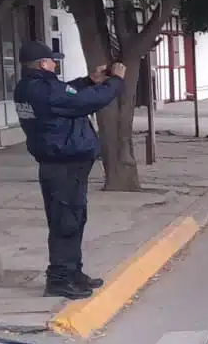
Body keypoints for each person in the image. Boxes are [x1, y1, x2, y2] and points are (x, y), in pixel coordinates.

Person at [13, 42, 125, 300]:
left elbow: (70, 92)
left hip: (64, 162)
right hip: (61, 163)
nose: (55, 64)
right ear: (42, 64)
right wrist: (115, 81)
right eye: (52, 61)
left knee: (73, 219)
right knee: (66, 222)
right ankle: (59, 279)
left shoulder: (34, 87)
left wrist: (90, 80)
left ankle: (73, 272)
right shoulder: (43, 90)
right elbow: (87, 101)